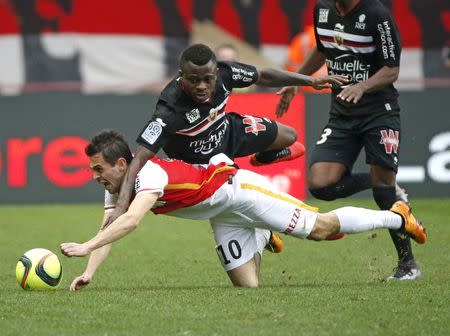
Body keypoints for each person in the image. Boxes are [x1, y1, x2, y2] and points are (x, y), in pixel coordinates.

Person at [60, 130, 427, 290]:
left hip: (241, 192)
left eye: (98, 169)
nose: (94, 176)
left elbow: (132, 221)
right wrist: (90, 271)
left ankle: (397, 215)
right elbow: (110, 223)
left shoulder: (149, 174)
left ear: (122, 164)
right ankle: (264, 232)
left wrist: (85, 246)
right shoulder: (116, 187)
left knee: (322, 229)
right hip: (221, 213)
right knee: (248, 285)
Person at [106, 43, 348, 228]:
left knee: (289, 135)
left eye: (207, 80)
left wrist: (309, 81)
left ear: (215, 74)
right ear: (181, 76)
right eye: (194, 80)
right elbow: (138, 160)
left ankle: (263, 157)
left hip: (229, 130)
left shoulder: (226, 72)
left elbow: (263, 75)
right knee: (240, 199)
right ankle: (264, 233)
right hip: (203, 160)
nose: (201, 86)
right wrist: (120, 206)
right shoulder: (168, 111)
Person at [276, 0, 422, 280]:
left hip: (379, 112)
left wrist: (362, 86)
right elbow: (322, 49)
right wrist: (297, 81)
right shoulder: (323, 11)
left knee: (383, 193)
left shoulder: (377, 15)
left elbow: (392, 69)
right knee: (320, 184)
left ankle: (408, 264)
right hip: (342, 114)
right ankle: (383, 183)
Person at [284, 24, 330, 93]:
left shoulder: (303, 38)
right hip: (321, 90)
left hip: (307, 88)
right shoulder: (304, 39)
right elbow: (290, 64)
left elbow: (290, 64)